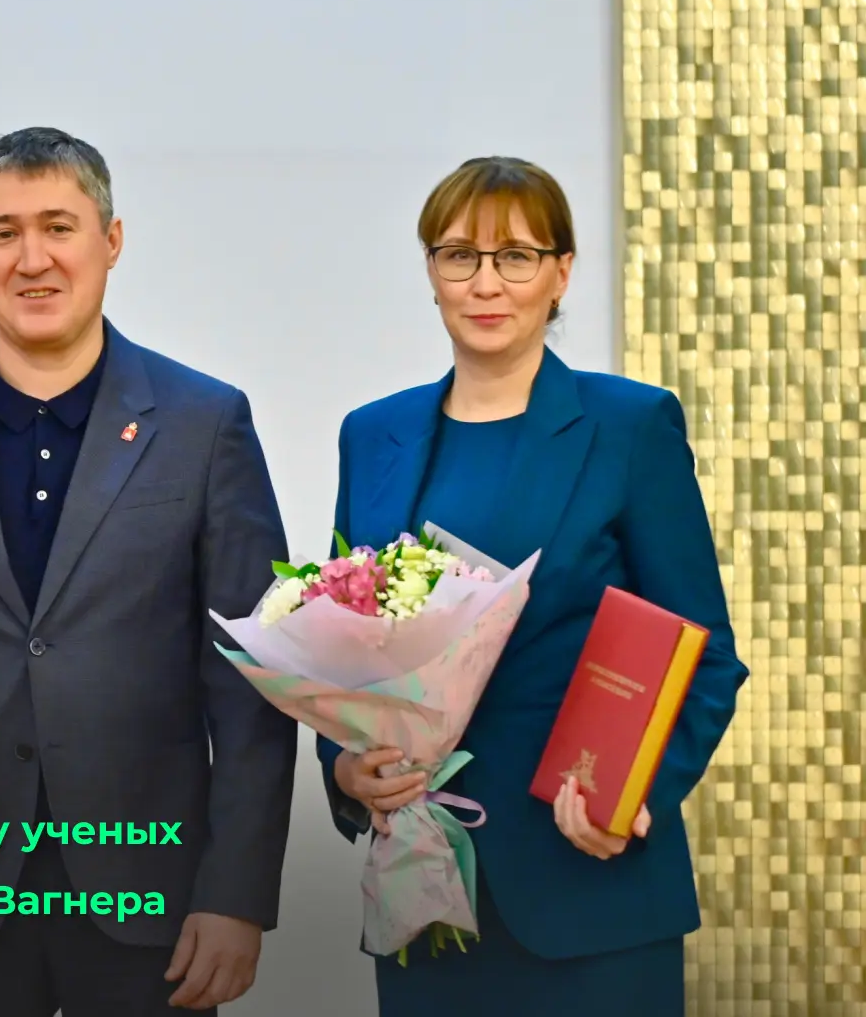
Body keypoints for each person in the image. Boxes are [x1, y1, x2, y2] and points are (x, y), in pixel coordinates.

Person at [0, 126, 297, 1017]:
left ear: (111, 240)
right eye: (4, 233)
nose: (32, 259)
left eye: (59, 228)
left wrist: (236, 893)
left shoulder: (205, 423)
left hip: (155, 898)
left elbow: (252, 679)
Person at [317, 156, 748, 1015]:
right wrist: (346, 769)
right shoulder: (374, 433)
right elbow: (341, 645)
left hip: (589, 886)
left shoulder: (629, 425)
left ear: (562, 272)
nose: (486, 283)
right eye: (459, 256)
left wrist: (635, 797)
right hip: (423, 890)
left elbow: (707, 656)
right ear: (431, 272)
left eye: (515, 256)